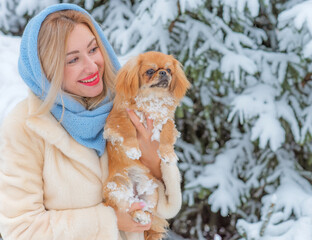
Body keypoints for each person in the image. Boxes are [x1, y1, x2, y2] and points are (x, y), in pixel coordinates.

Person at [0, 3, 182, 240]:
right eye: (72, 60)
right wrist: (110, 221)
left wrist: (154, 160)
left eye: (93, 49)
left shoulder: (129, 106)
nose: (91, 66)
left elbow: (162, 208)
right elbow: (20, 229)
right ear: (46, 70)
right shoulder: (26, 126)